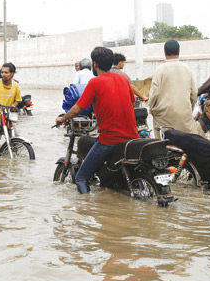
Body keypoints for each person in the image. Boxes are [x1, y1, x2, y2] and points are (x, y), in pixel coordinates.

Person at [55, 47, 139, 194]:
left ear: (95, 64)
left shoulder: (95, 83)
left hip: (109, 140)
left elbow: (77, 109)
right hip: (132, 138)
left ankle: (86, 210)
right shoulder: (124, 79)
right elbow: (131, 103)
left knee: (81, 177)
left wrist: (63, 118)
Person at [149, 40, 199, 138]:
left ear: (164, 52)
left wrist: (152, 109)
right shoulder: (186, 69)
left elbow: (154, 94)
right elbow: (194, 92)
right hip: (184, 115)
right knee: (188, 143)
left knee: (164, 145)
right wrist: (189, 107)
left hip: (163, 116)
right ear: (179, 51)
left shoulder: (160, 70)